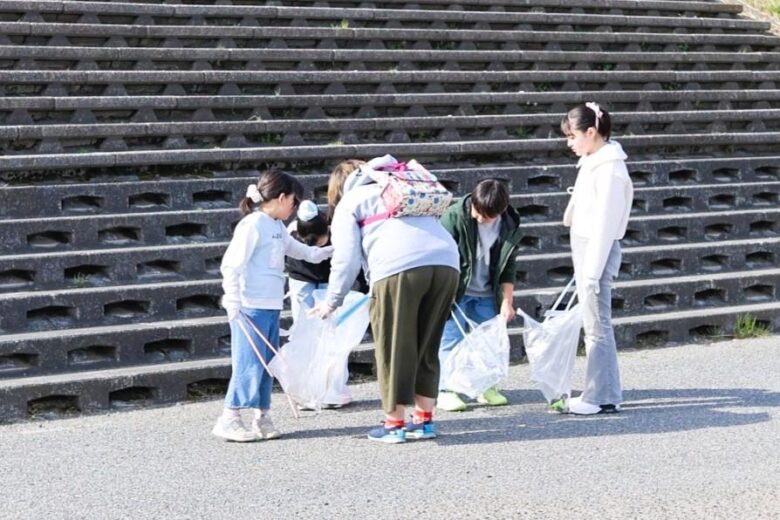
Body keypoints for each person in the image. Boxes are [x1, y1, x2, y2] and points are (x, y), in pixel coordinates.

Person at [312, 158, 459, 444]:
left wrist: (332, 301)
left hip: (398, 268)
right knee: (426, 346)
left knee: (394, 346)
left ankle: (394, 425)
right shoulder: (403, 185)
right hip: (447, 263)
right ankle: (424, 421)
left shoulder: (352, 200)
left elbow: (346, 258)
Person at [213, 170, 333, 441]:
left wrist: (330, 251)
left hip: (269, 306)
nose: (294, 207)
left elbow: (302, 252)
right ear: (281, 198)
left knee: (268, 363)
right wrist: (232, 300)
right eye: (294, 200)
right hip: (248, 306)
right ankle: (229, 417)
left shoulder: (276, 226)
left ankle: (262, 416)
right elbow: (231, 264)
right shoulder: (253, 225)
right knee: (248, 363)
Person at [553, 102, 633, 415]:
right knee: (594, 324)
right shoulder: (596, 159)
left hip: (596, 250)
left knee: (597, 326)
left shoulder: (610, 167)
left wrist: (591, 271)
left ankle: (600, 396)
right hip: (587, 246)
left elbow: (605, 224)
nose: (569, 142)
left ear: (591, 132)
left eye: (572, 136)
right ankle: (603, 393)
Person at [436, 179, 522, 412]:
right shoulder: (454, 217)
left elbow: (508, 266)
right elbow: (440, 256)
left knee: (489, 341)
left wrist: (507, 301)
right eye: (477, 211)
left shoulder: (510, 223)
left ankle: (486, 387)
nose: (479, 218)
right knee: (450, 341)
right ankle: (446, 390)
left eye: (486, 215)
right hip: (456, 292)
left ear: (501, 210)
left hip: (487, 292)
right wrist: (444, 292)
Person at [285, 199, 352, 409]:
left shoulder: (337, 230)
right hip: (300, 280)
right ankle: (306, 391)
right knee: (304, 332)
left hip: (326, 281)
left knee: (331, 333)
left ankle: (332, 390)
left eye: (321, 243)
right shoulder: (290, 232)